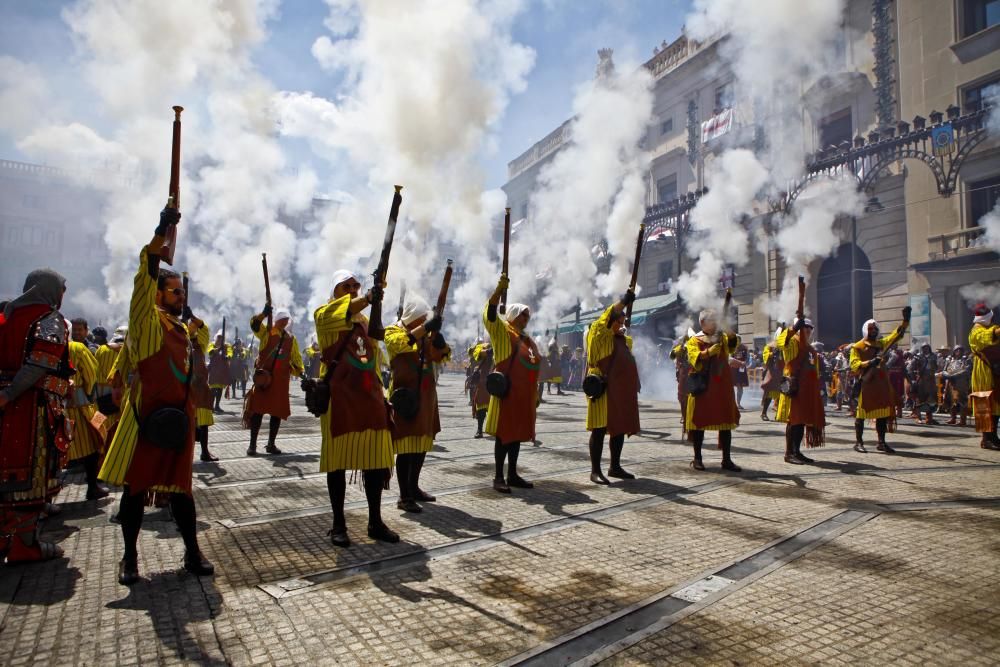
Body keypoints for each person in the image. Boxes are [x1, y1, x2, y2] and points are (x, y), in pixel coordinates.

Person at [98, 207, 214, 585]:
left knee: (182, 493)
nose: (181, 296)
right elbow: (143, 279)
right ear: (159, 293)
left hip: (179, 418)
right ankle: (129, 559)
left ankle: (192, 553)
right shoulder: (146, 321)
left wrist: (193, 319)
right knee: (134, 492)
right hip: (146, 419)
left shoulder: (182, 327)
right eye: (175, 290)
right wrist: (161, 231)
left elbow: (204, 343)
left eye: (182, 290)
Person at [314, 270, 398, 546]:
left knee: (376, 460)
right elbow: (347, 308)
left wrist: (381, 394)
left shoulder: (364, 319)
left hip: (369, 395)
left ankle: (375, 521)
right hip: (340, 398)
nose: (352, 288)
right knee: (336, 463)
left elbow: (374, 355)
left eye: (355, 285)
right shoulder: (324, 315)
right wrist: (369, 297)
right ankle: (338, 524)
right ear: (334, 292)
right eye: (345, 286)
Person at [0, 269, 72, 562]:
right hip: (32, 408)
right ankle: (24, 544)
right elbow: (38, 365)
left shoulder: (6, 316)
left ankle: (6, 539)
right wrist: (10, 393)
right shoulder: (48, 319)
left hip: (8, 407)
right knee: (33, 473)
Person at [385, 296, 448, 513]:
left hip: (427, 395)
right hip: (405, 397)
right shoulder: (393, 331)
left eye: (425, 318)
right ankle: (404, 496)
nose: (423, 321)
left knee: (421, 445)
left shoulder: (426, 334)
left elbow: (441, 357)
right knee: (406, 448)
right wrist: (426, 328)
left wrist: (439, 341)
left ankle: (414, 487)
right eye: (421, 318)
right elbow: (401, 345)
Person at [483, 274, 539, 493]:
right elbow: (490, 315)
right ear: (514, 315)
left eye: (528, 315)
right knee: (503, 435)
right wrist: (499, 290)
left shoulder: (525, 338)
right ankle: (498, 477)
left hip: (522, 395)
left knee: (516, 435)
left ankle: (512, 474)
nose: (526, 318)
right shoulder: (503, 331)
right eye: (523, 314)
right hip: (506, 393)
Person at [585, 291, 640, 484]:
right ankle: (595, 471)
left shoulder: (623, 340)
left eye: (624, 323)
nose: (622, 326)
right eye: (619, 322)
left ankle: (614, 467)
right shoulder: (600, 333)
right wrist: (624, 302)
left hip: (620, 389)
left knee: (619, 427)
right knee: (599, 429)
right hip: (601, 388)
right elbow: (607, 317)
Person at [685, 309, 741, 471]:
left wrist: (727, 327)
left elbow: (732, 345)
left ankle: (726, 459)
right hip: (703, 386)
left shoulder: (722, 337)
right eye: (712, 320)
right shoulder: (694, 340)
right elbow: (694, 358)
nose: (715, 322)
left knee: (726, 423)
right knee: (699, 423)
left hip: (722, 386)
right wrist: (709, 352)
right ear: (703, 323)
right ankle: (697, 458)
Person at [850, 309, 910, 454]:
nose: (873, 331)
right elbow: (854, 365)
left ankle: (881, 442)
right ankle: (859, 442)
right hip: (867, 383)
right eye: (871, 329)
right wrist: (870, 362)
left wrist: (905, 322)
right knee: (861, 414)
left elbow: (894, 336)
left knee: (883, 414)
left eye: (875, 328)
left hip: (881, 384)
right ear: (865, 330)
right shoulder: (857, 347)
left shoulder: (880, 344)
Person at [245, 307, 303, 456]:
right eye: (283, 318)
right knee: (257, 412)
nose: (285, 321)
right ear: (277, 320)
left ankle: (271, 444)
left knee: (276, 413)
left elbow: (295, 358)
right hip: (264, 380)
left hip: (280, 381)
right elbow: (254, 324)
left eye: (287, 319)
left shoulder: (291, 338)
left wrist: (302, 373)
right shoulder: (266, 333)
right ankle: (252, 445)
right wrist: (264, 313)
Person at [775, 318, 825, 464]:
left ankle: (797, 452)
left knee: (801, 422)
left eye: (810, 328)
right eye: (805, 327)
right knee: (793, 422)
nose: (808, 330)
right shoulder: (793, 341)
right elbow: (781, 342)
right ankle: (789, 453)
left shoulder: (809, 347)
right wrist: (792, 329)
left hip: (807, 390)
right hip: (794, 389)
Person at [66, 338, 110, 499]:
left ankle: (45, 499)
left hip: (53, 407)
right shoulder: (77, 347)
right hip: (83, 406)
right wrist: (87, 390)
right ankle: (93, 486)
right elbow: (91, 373)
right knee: (94, 443)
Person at [968, 303, 999, 449]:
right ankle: (986, 439)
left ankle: (994, 436)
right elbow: (988, 337)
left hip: (993, 370)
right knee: (984, 403)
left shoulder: (987, 328)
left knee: (995, 404)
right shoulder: (977, 330)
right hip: (983, 370)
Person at [908, 343, 938, 424]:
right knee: (919, 399)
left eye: (927, 347)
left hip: (931, 380)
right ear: (922, 348)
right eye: (924, 348)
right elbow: (910, 368)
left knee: (931, 400)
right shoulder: (917, 357)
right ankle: (918, 417)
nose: (926, 349)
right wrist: (913, 379)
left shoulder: (934, 356)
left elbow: (937, 367)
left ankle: (929, 418)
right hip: (921, 380)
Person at [941, 346, 971, 427]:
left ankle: (962, 420)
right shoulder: (950, 360)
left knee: (962, 401)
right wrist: (947, 375)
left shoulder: (966, 360)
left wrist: (955, 375)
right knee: (951, 401)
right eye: (957, 350)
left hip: (961, 382)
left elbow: (966, 370)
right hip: (950, 382)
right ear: (954, 351)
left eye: (960, 350)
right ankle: (952, 418)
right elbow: (944, 370)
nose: (958, 351)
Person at [468, 340, 493, 438]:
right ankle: (479, 430)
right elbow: (474, 354)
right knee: (481, 407)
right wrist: (487, 351)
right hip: (483, 382)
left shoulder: (503, 347)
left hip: (498, 382)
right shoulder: (483, 347)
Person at [760, 329, 784, 421]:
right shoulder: (770, 346)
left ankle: (779, 414)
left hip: (783, 372)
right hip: (772, 372)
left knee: (782, 395)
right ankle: (763, 413)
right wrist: (772, 353)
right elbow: (765, 356)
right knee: (769, 394)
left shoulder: (786, 345)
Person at [669, 335, 690, 437]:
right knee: (682, 399)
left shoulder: (694, 347)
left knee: (689, 401)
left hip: (691, 378)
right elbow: (672, 357)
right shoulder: (679, 350)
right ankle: (684, 418)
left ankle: (688, 423)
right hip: (682, 376)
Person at [206, 331, 231, 414]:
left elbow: (230, 353)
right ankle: (211, 405)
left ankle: (217, 405)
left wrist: (228, 356)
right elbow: (210, 352)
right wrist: (219, 349)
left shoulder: (226, 346)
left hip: (222, 370)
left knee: (219, 389)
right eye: (218, 338)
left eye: (221, 338)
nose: (220, 340)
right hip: (214, 370)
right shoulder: (211, 345)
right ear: (216, 338)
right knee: (213, 389)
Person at [730, 345, 749, 410]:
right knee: (730, 387)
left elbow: (747, 358)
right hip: (733, 369)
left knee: (740, 387)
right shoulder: (731, 347)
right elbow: (729, 358)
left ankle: (738, 403)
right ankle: (731, 403)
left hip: (741, 369)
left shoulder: (744, 348)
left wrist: (745, 362)